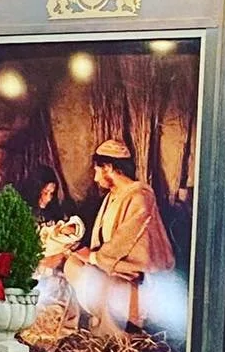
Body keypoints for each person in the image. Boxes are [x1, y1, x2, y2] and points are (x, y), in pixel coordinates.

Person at [47, 139, 175, 330]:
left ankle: (114, 331)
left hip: (138, 271)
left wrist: (92, 257)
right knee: (73, 264)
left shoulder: (140, 196)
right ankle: (88, 321)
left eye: (97, 171)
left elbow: (124, 240)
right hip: (113, 263)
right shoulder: (112, 196)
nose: (96, 178)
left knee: (99, 278)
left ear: (108, 168)